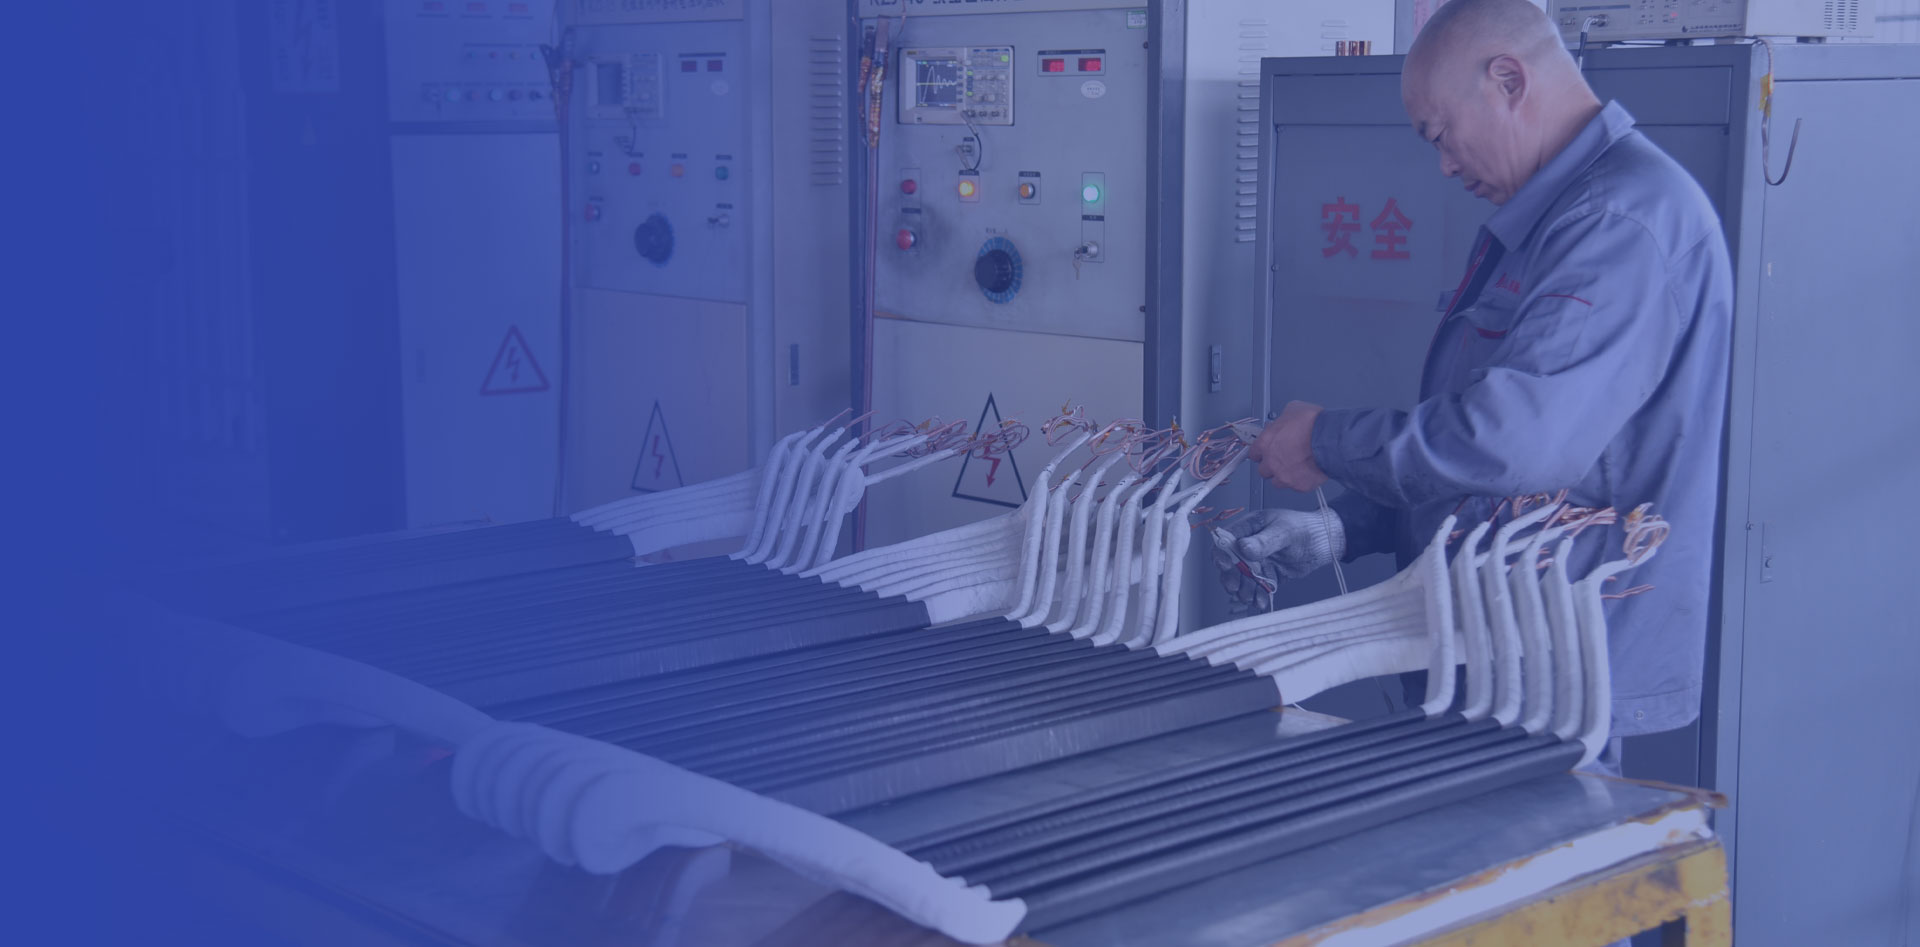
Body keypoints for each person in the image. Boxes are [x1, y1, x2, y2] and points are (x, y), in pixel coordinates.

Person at [1218, 0, 1733, 777]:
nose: (1445, 166)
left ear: (1508, 80)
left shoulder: (1618, 224)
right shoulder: (1557, 218)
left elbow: (1512, 444)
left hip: (1549, 671)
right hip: (1493, 644)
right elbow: (1497, 463)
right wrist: (1345, 528)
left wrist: (1325, 441)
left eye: (1439, 134)